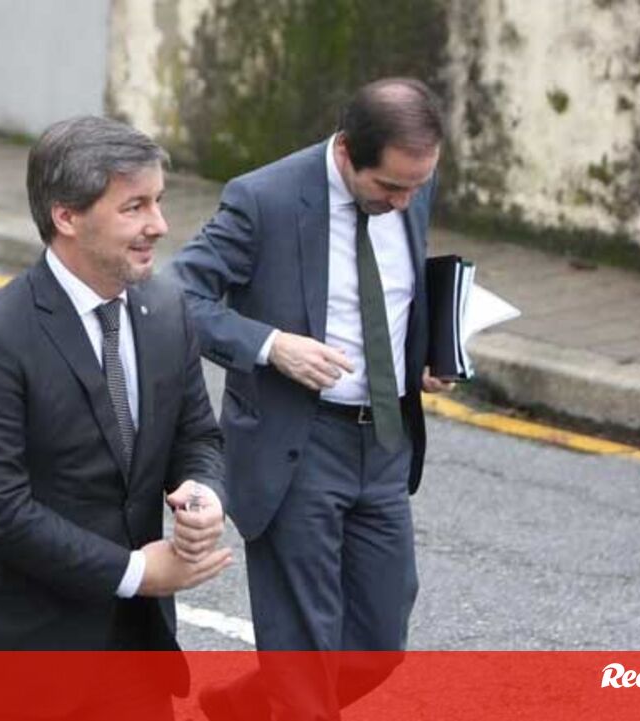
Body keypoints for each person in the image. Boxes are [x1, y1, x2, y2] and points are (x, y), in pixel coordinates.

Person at [0, 115, 232, 721]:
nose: (159, 224)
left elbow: (197, 435)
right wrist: (136, 571)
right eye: (134, 207)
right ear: (67, 217)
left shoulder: (167, 307)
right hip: (12, 651)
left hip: (130, 651)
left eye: (158, 201)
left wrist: (203, 491)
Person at [171, 77, 454, 720]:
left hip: (385, 439)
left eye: (417, 187)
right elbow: (179, 296)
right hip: (296, 445)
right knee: (304, 656)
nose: (405, 201)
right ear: (347, 151)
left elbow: (395, 293)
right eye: (390, 187)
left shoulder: (410, 183)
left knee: (376, 648)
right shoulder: (263, 198)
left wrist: (424, 354)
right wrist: (272, 345)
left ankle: (242, 707)